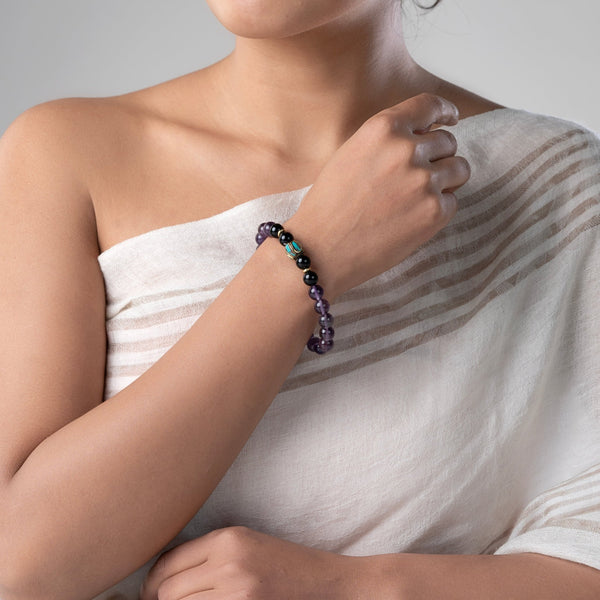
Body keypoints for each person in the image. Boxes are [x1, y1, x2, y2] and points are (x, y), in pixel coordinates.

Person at [0, 0, 599, 598]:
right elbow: (18, 565)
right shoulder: (65, 156)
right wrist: (308, 256)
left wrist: (345, 588)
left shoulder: (555, 184)